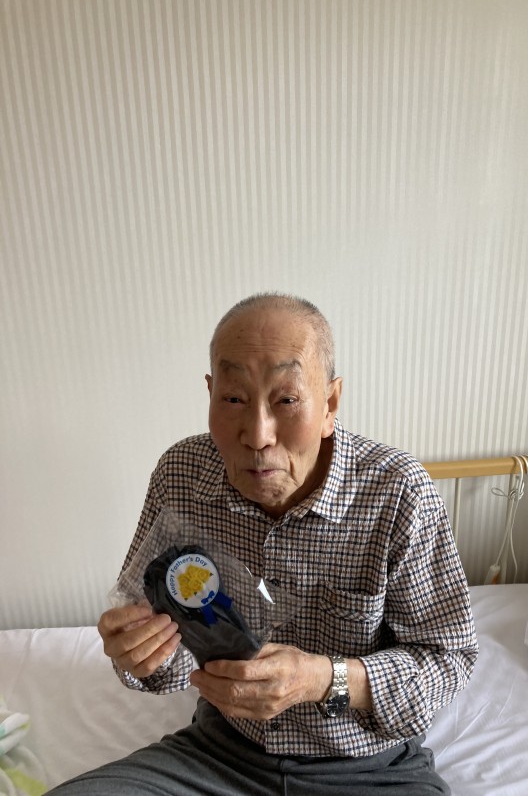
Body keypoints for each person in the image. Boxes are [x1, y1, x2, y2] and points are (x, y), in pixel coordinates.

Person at [48, 292, 478, 795]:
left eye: (286, 400)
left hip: (368, 768)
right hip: (218, 754)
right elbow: (169, 655)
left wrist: (322, 678)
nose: (257, 435)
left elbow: (449, 659)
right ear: (210, 393)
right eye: (233, 399)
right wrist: (141, 655)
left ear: (330, 403)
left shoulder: (398, 492)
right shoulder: (181, 475)